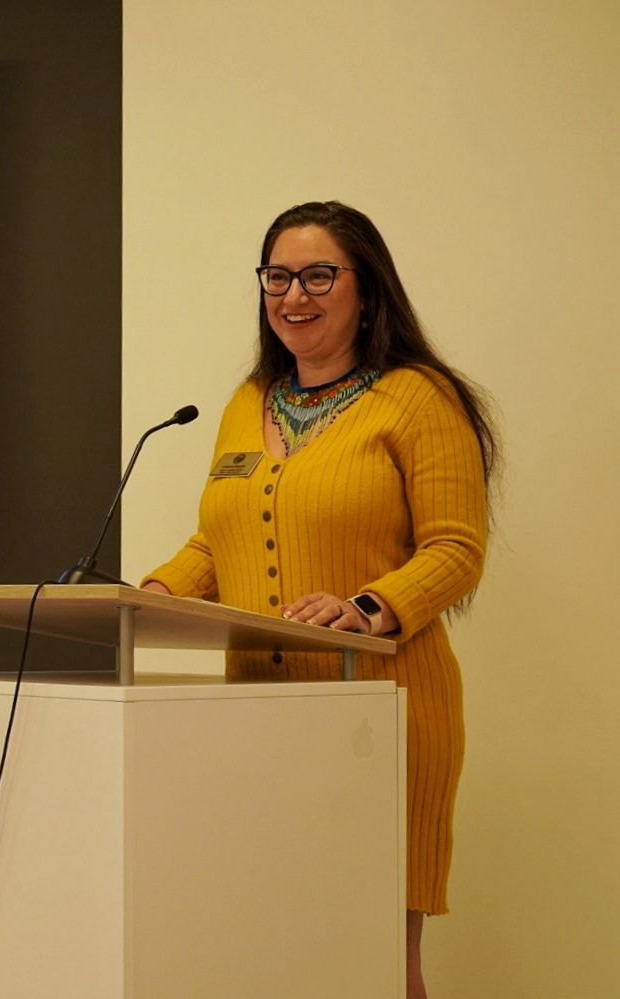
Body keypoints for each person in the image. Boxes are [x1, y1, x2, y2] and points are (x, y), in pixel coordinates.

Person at [140, 200, 496, 999]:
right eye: (277, 277)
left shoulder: (418, 397)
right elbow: (218, 540)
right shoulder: (247, 402)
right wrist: (154, 592)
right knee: (280, 951)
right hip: (260, 720)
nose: (294, 295)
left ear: (366, 290)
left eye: (318, 276)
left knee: (377, 962)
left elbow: (455, 547)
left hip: (382, 712)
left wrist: (367, 607)